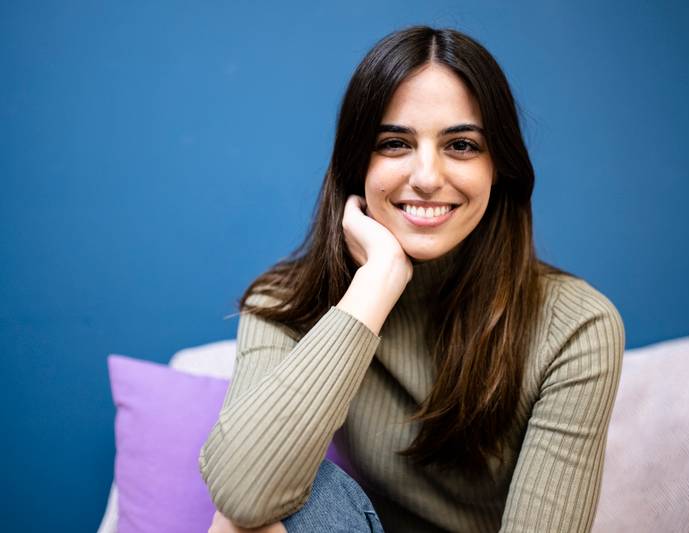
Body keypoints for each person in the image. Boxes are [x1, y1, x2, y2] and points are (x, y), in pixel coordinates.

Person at [199, 25, 624, 533]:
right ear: (357, 164)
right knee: (273, 490)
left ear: (500, 168)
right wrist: (376, 282)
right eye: (395, 143)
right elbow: (243, 494)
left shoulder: (577, 327)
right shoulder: (286, 302)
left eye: (461, 145)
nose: (426, 177)